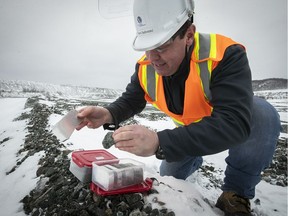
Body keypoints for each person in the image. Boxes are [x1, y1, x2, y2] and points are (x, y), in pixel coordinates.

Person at [76, 0, 281, 215]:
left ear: (189, 35)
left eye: (162, 46)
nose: (152, 58)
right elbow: (131, 99)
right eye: (147, 48)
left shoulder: (225, 54)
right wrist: (108, 113)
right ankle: (194, 158)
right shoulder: (145, 67)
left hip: (220, 127)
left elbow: (233, 123)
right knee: (170, 177)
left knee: (262, 114)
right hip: (187, 133)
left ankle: (235, 193)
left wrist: (159, 142)